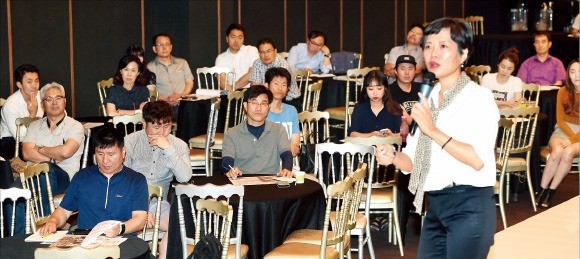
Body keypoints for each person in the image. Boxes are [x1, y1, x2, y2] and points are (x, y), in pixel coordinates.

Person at [375, 18, 498, 258]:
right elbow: (411, 161)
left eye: (443, 46)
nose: (433, 53)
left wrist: (432, 129)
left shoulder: (478, 98)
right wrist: (392, 156)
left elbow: (477, 159)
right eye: (429, 46)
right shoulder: (429, 99)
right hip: (435, 208)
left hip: (469, 206)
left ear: (463, 54)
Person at [38, 127, 148, 237]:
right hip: (87, 240)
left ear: (123, 152)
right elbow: (64, 211)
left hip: (123, 239)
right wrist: (53, 221)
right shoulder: (82, 177)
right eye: (100, 154)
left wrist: (120, 228)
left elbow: (140, 219)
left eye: (111, 154)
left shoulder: (136, 180)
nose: (105, 161)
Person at [124, 100, 191, 259]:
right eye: (156, 127)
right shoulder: (130, 141)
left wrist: (168, 149)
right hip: (128, 201)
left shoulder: (179, 146)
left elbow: (185, 177)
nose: (162, 132)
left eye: (166, 126)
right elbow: (121, 180)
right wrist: (141, 210)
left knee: (178, 226)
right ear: (144, 124)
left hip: (158, 204)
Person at [535, 59, 580, 208]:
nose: (576, 75)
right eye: (572, 72)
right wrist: (567, 138)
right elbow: (560, 120)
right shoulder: (562, 91)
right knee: (557, 151)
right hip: (562, 130)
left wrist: (572, 140)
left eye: (579, 71)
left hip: (578, 135)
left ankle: (551, 191)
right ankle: (542, 189)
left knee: (567, 153)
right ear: (568, 74)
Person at [222, 85, 293, 179]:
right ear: (245, 106)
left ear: (269, 107)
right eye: (254, 103)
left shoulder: (278, 130)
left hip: (270, 182)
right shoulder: (231, 134)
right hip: (242, 182)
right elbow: (227, 161)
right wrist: (230, 170)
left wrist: (286, 169)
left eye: (263, 103)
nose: (258, 108)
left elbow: (286, 154)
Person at [387, 54, 421, 243]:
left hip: (420, 141)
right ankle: (400, 222)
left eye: (410, 68)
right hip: (398, 144)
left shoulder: (422, 90)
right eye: (402, 68)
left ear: (415, 71)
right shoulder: (390, 91)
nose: (407, 72)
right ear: (395, 71)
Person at [0, 64, 43, 159]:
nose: (34, 86)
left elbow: (61, 113)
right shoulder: (11, 104)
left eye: (36, 81)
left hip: (37, 138)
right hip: (11, 142)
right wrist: (33, 114)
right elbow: (20, 137)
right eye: (29, 82)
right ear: (19, 84)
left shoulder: (41, 96)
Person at [147, 33, 194, 117]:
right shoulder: (150, 67)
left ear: (171, 47)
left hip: (183, 102)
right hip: (162, 105)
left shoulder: (182, 63)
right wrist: (166, 100)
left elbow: (189, 82)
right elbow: (151, 90)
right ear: (154, 49)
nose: (164, 47)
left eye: (167, 44)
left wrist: (181, 96)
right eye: (160, 45)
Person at [348, 70, 402, 137]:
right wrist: (370, 135)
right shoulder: (360, 108)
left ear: (385, 89)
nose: (375, 93)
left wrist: (392, 136)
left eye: (379, 89)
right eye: (370, 89)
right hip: (366, 146)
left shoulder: (395, 108)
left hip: (389, 146)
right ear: (365, 90)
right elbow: (352, 134)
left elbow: (403, 135)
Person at [249, 38, 300, 105]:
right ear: (259, 53)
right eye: (262, 52)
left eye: (269, 51)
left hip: (289, 100)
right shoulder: (257, 63)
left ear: (275, 51)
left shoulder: (282, 64)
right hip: (268, 99)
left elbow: (280, 90)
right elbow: (254, 87)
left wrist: (263, 86)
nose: (266, 55)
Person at [264, 67, 300, 157]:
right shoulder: (261, 111)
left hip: (288, 161)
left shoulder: (292, 110)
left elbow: (295, 145)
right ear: (267, 86)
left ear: (288, 88)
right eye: (276, 83)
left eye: (284, 85)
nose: (280, 88)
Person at [215, 23, 259, 90]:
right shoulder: (221, 58)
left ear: (243, 39)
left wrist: (233, 87)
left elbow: (252, 73)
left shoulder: (251, 50)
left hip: (250, 91)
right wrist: (231, 92)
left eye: (240, 37)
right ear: (227, 39)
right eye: (233, 37)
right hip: (230, 93)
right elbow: (221, 80)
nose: (236, 41)